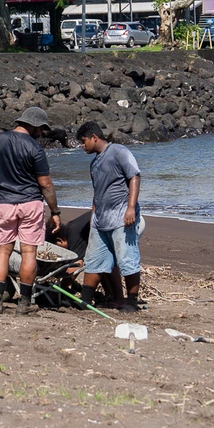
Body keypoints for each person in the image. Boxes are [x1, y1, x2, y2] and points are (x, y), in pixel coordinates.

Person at [0, 106, 60, 315]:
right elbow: (46, 184)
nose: (41, 133)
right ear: (35, 126)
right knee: (29, 252)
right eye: (41, 129)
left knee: (2, 251)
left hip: (5, 203)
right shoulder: (35, 148)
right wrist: (55, 211)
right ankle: (24, 303)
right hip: (30, 203)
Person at [75, 121, 143, 311]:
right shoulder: (94, 162)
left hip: (121, 217)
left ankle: (131, 302)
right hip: (100, 220)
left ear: (94, 137)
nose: (82, 145)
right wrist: (93, 217)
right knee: (94, 260)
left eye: (83, 141)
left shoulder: (119, 152)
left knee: (126, 259)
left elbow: (134, 176)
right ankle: (85, 301)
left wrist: (130, 208)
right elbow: (97, 193)